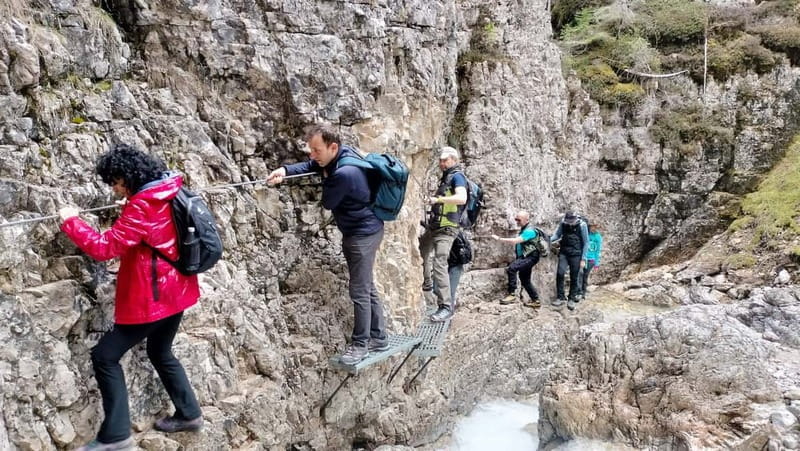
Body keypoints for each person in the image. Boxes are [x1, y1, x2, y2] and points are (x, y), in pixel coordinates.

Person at [59, 144, 203, 451]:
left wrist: (71, 221)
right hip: (177, 289)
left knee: (105, 356)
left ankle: (116, 434)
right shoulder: (168, 188)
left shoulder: (142, 204)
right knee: (161, 350)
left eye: (115, 182)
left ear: (127, 177)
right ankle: (189, 413)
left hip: (155, 297)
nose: (114, 189)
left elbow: (104, 248)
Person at [267, 124, 387, 365]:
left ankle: (361, 343)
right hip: (369, 229)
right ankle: (379, 336)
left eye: (316, 150)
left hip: (361, 236)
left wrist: (325, 178)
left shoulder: (344, 173)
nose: (312, 155)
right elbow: (312, 165)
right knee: (366, 286)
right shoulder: (344, 154)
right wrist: (284, 170)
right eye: (310, 150)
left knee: (359, 290)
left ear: (333, 147)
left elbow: (329, 202)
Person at [419, 146, 468, 322]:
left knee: (439, 263)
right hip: (435, 227)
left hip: (447, 229)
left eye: (445, 159)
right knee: (421, 250)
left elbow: (462, 198)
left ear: (453, 160)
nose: (441, 162)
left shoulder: (457, 177)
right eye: (440, 160)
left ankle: (446, 307)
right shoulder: (446, 178)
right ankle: (426, 286)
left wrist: (438, 199)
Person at [491, 211, 541, 308]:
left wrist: (499, 239)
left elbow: (515, 241)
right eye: (515, 219)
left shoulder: (529, 231)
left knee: (512, 268)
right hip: (525, 257)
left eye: (519, 220)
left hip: (530, 257)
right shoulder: (524, 228)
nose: (516, 222)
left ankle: (512, 294)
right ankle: (536, 300)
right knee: (525, 280)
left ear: (526, 220)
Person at [550, 210, 589, 311]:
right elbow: (557, 235)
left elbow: (586, 243)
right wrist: (549, 239)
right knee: (560, 273)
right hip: (564, 252)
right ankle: (561, 297)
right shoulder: (563, 223)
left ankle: (571, 298)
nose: (570, 223)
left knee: (574, 276)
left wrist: (583, 259)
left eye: (571, 221)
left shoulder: (582, 225)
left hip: (576, 254)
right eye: (568, 221)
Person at [446, 230, 472, 310]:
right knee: (450, 292)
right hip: (455, 266)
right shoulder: (459, 234)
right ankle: (448, 314)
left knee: (450, 293)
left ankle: (449, 315)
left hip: (454, 266)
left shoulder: (455, 235)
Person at [580, 222, 603, 299]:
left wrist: (596, 264)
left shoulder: (598, 237)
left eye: (596, 227)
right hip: (583, 257)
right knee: (579, 274)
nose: (594, 229)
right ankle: (578, 291)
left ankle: (583, 292)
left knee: (585, 275)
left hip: (591, 260)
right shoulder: (586, 234)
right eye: (592, 227)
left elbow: (598, 251)